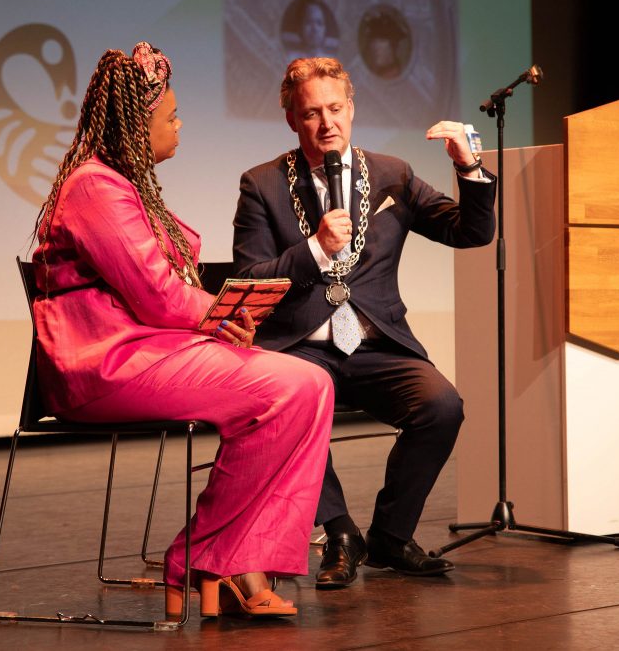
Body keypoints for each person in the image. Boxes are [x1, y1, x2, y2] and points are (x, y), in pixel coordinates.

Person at [31, 42, 334, 618]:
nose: (180, 124)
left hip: (148, 350)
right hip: (107, 363)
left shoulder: (120, 183)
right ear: (137, 125)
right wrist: (220, 317)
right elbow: (158, 295)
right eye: (170, 117)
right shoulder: (95, 187)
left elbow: (162, 294)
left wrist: (221, 322)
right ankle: (202, 557)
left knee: (305, 386)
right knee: (294, 387)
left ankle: (236, 562)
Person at [232, 57, 497, 589]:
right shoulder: (262, 184)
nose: (326, 123)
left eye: (335, 108)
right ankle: (340, 533)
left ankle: (391, 537)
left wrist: (469, 168)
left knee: (442, 406)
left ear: (351, 109)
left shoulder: (392, 174)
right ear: (291, 119)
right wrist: (313, 250)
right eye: (311, 113)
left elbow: (470, 233)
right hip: (301, 346)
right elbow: (250, 276)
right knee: (298, 401)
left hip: (376, 342)